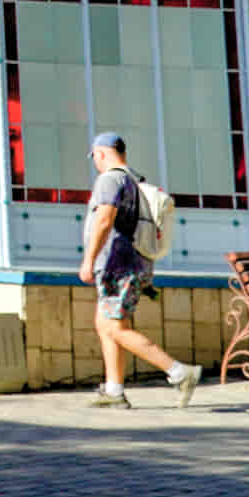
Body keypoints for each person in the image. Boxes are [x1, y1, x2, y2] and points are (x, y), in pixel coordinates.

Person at [79, 132, 202, 409]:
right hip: (131, 263)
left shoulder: (110, 179)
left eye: (95, 157)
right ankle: (114, 390)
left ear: (101, 153)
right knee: (106, 324)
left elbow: (104, 220)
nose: (95, 163)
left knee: (115, 327)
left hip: (116, 265)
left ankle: (180, 372)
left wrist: (88, 260)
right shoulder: (132, 178)